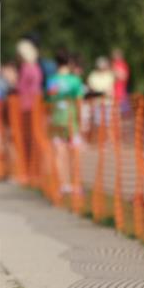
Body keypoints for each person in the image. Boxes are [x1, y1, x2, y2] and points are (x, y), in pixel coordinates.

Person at [44, 51, 84, 197]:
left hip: (56, 120)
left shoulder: (51, 80)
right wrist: (81, 121)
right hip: (71, 120)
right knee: (75, 153)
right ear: (69, 63)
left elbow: (48, 102)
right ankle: (75, 185)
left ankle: (63, 185)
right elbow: (79, 102)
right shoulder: (75, 80)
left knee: (59, 153)